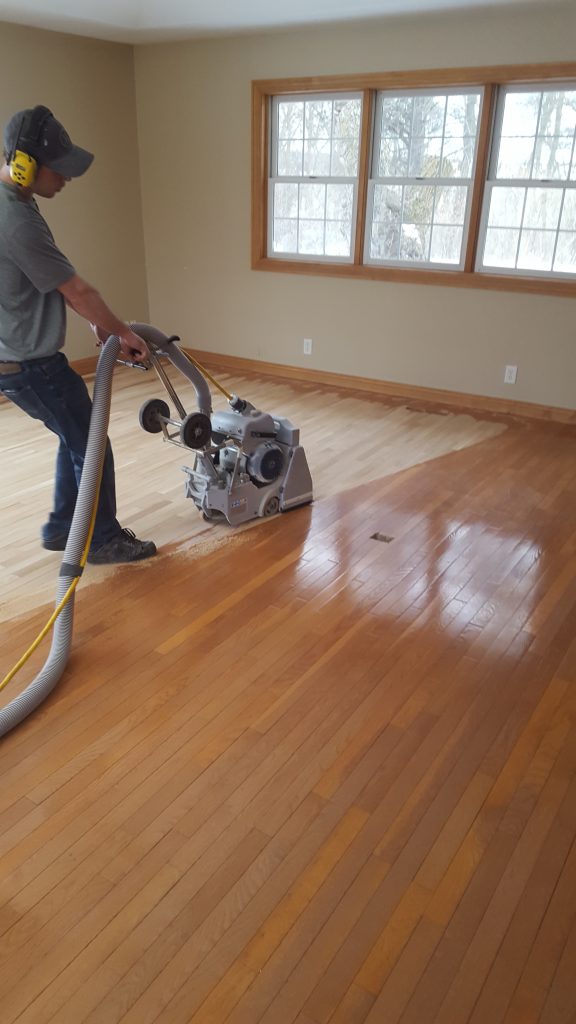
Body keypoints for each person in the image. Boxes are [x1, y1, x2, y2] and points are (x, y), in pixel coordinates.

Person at [0, 104, 156, 564]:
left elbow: (57, 285)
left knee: (77, 438)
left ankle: (61, 526)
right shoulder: (18, 222)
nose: (66, 179)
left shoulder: (15, 203)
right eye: (59, 170)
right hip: (30, 366)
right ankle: (102, 538)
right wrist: (124, 332)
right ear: (25, 165)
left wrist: (93, 317)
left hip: (18, 361)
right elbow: (79, 290)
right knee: (91, 443)